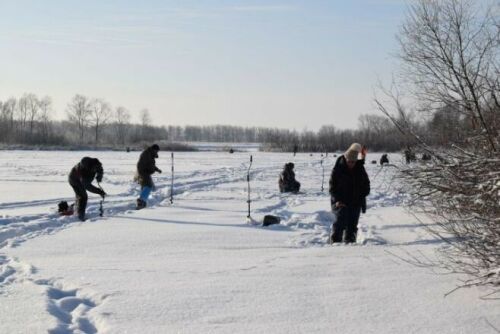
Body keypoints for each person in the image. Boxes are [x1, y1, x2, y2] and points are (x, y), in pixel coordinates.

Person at [328, 143, 370, 243]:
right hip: (340, 201)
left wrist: (362, 194)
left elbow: (366, 185)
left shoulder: (359, 168)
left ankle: (350, 245)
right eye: (349, 161)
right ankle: (334, 243)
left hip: (355, 201)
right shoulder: (337, 170)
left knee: (352, 225)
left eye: (353, 162)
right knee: (340, 221)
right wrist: (337, 200)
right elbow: (332, 188)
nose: (351, 164)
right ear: (345, 159)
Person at [68, 157, 106, 221]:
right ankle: (80, 216)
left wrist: (99, 176)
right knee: (83, 197)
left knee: (80, 196)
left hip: (81, 180)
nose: (95, 170)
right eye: (93, 169)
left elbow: (100, 170)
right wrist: (100, 191)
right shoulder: (83, 172)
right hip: (74, 180)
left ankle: (75, 208)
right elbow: (88, 186)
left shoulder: (95, 164)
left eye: (95, 168)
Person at [135, 144, 162, 209]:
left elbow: (151, 164)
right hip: (143, 172)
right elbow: (148, 164)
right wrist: (151, 169)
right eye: (157, 151)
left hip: (144, 172)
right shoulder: (147, 154)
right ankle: (141, 200)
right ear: (154, 150)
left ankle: (142, 202)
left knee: (145, 186)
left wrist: (157, 169)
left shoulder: (149, 154)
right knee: (148, 186)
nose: (157, 153)